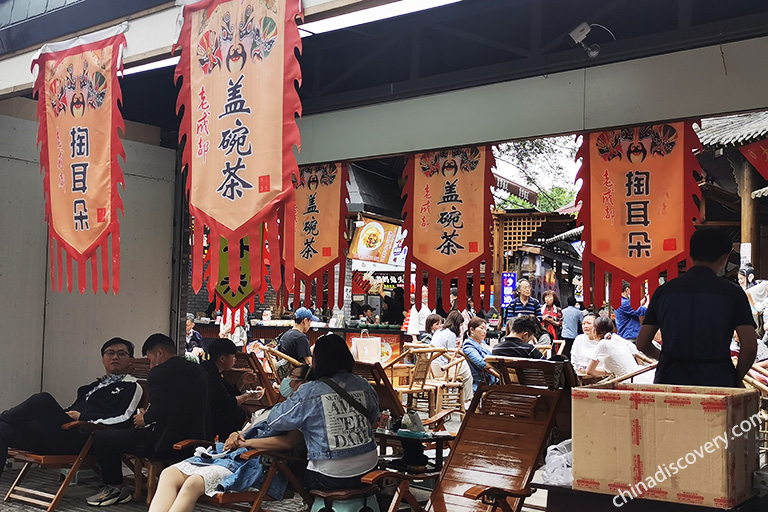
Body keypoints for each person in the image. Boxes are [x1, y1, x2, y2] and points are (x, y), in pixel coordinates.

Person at [148, 365, 313, 512]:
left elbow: (289, 442)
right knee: (169, 474)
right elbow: (246, 430)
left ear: (305, 384)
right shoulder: (276, 409)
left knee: (193, 484)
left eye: (292, 376)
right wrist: (235, 434)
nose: (286, 380)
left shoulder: (302, 413)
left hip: (252, 463)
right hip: (227, 455)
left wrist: (247, 443)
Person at [88, 334, 210, 507]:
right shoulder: (199, 370)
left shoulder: (159, 373)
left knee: (103, 439)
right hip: (196, 441)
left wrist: (144, 418)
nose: (151, 364)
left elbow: (160, 410)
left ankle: (116, 487)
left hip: (163, 442)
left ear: (159, 353)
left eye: (150, 359)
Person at [0, 338, 142, 477]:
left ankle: (3, 415)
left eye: (122, 353)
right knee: (2, 429)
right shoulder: (91, 387)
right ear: (103, 358)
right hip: (58, 435)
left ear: (130, 359)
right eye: (110, 353)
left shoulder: (131, 386)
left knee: (42, 399)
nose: (115, 357)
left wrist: (83, 418)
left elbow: (125, 419)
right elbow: (73, 409)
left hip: (81, 439)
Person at [636, 228, 758, 387]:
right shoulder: (733, 293)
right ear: (725, 258)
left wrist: (668, 359)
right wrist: (736, 378)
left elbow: (642, 343)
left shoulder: (664, 292)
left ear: (691, 254)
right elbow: (749, 346)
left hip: (670, 380)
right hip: (717, 380)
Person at [267, 334, 380, 490]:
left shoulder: (309, 391)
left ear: (317, 360)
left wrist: (294, 396)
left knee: (298, 472)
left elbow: (274, 421)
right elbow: (374, 417)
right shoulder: (364, 385)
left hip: (329, 474)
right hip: (370, 467)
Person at [202, 339, 262, 441]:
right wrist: (248, 396)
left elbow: (228, 392)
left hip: (208, 413)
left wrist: (241, 381)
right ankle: (226, 445)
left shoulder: (211, 368)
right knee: (237, 413)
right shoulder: (210, 373)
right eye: (233, 357)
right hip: (204, 417)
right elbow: (226, 402)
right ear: (222, 359)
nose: (235, 360)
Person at [586, 316, 654, 384]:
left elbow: (589, 371)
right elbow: (636, 353)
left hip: (628, 380)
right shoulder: (616, 338)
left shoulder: (603, 343)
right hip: (639, 374)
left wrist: (607, 373)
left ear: (595, 330)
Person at [429, 311, 473, 402]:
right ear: (457, 324)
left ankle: (465, 398)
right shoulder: (451, 334)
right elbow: (452, 356)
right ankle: (466, 400)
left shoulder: (438, 331)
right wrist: (459, 351)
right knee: (467, 371)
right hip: (442, 368)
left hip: (432, 367)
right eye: (461, 325)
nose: (461, 327)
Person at [461, 317, 499, 393]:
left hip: (492, 378)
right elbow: (481, 362)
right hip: (483, 382)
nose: (484, 331)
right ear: (472, 330)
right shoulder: (468, 346)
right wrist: (497, 369)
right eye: (481, 328)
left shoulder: (482, 344)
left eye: (485, 329)